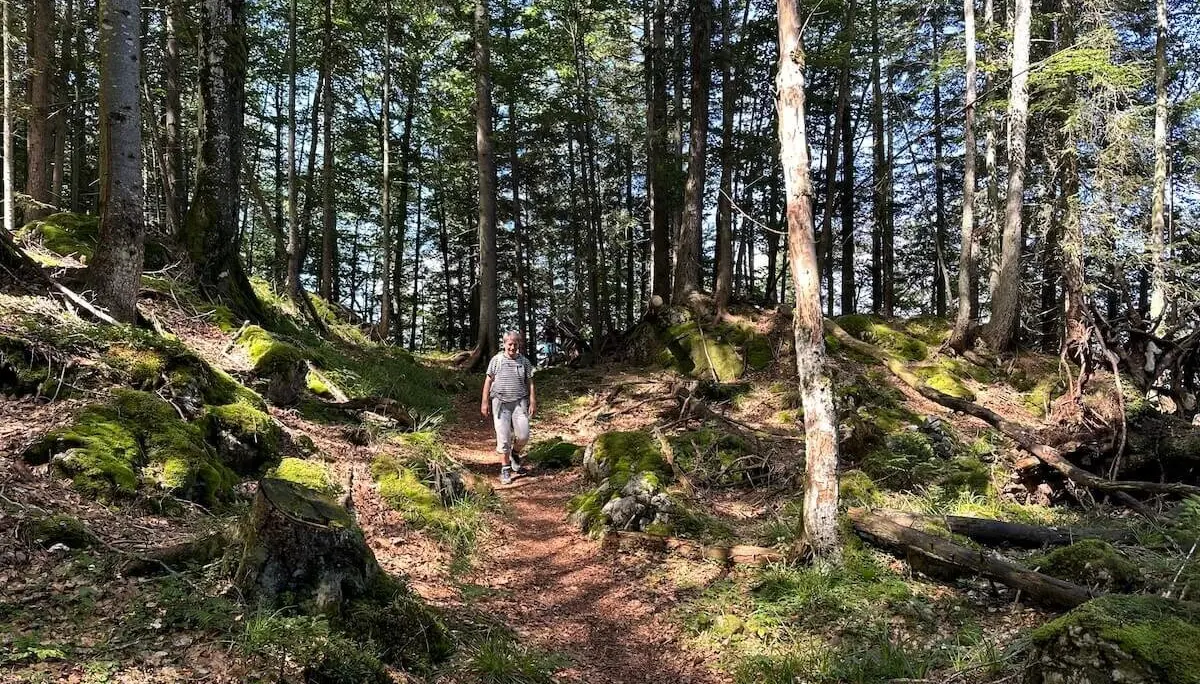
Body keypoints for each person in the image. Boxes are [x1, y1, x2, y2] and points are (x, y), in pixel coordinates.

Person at [481, 330, 537, 484]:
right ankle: (505, 468)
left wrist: (533, 401)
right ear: (504, 344)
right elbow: (488, 380)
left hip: (520, 402)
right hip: (500, 403)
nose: (512, 347)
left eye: (515, 344)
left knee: (524, 435)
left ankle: (515, 453)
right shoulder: (496, 360)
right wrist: (484, 402)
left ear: (519, 345)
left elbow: (530, 382)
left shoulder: (524, 362)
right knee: (504, 437)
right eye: (510, 344)